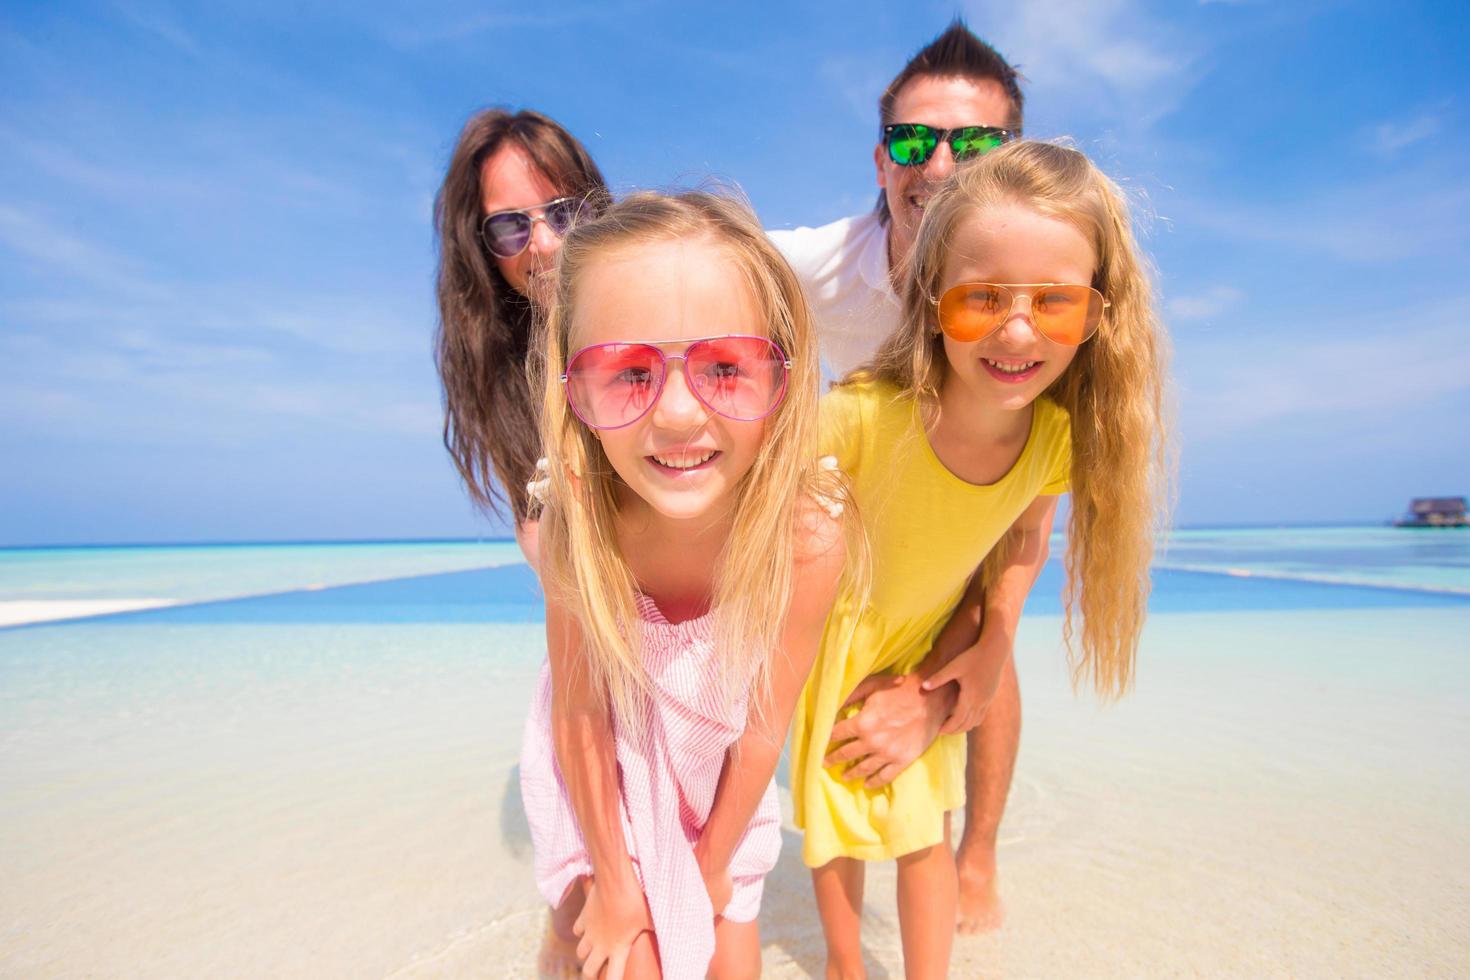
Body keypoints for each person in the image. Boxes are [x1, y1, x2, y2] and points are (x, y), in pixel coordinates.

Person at [789, 140, 1171, 977]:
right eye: (983, 300)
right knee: (835, 820)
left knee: (924, 826)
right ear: (929, 303)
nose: (1019, 329)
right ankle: (846, 964)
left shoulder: (1057, 439)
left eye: (1055, 303)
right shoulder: (861, 417)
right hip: (828, 642)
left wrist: (989, 641)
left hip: (926, 640)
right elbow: (768, 521)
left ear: (1099, 317)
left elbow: (1027, 537)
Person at [519, 191, 857, 980]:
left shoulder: (807, 537)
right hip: (607, 767)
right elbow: (578, 718)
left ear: (783, 376)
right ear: (573, 387)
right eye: (628, 371)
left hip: (719, 784)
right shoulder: (583, 526)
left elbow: (765, 727)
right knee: (616, 949)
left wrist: (708, 866)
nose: (676, 414)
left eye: (724, 368)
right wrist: (615, 883)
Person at [769, 20, 1036, 933]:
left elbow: (1032, 513)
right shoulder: (825, 266)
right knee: (848, 691)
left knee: (986, 657)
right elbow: (699, 258)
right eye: (915, 140)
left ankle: (978, 853)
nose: (941, 164)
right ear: (883, 162)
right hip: (870, 507)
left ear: (1016, 162)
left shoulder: (1032, 288)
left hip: (982, 502)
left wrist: (988, 644)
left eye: (977, 143)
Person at [433, 108, 610, 564]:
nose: (546, 242)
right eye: (509, 226)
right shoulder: (508, 385)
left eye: (566, 212)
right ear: (479, 250)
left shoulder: (673, 317)